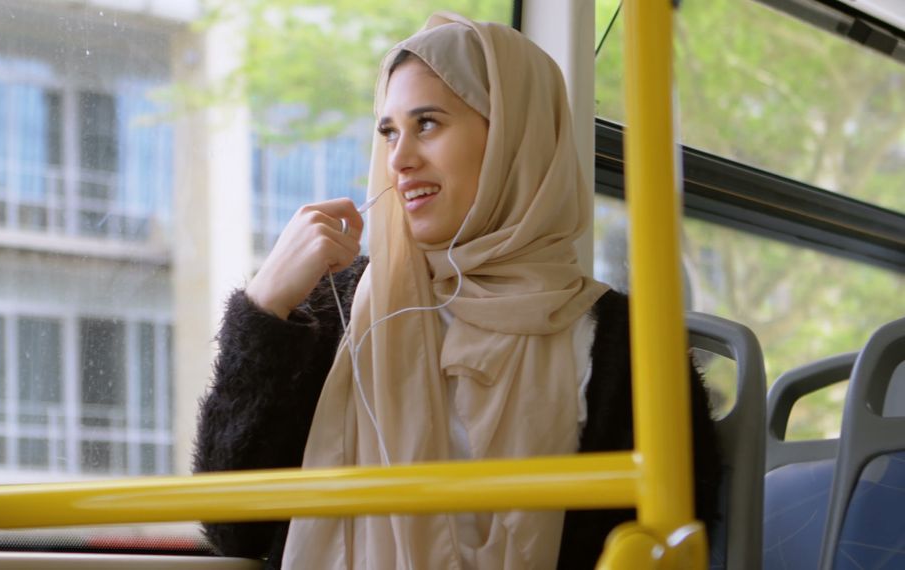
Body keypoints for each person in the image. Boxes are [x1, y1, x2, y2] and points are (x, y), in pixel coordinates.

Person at [193, 12, 721, 570]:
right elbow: (233, 528)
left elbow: (678, 536)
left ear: (514, 138)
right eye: (389, 131)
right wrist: (265, 304)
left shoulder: (626, 345)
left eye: (427, 124)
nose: (398, 160)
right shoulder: (337, 308)